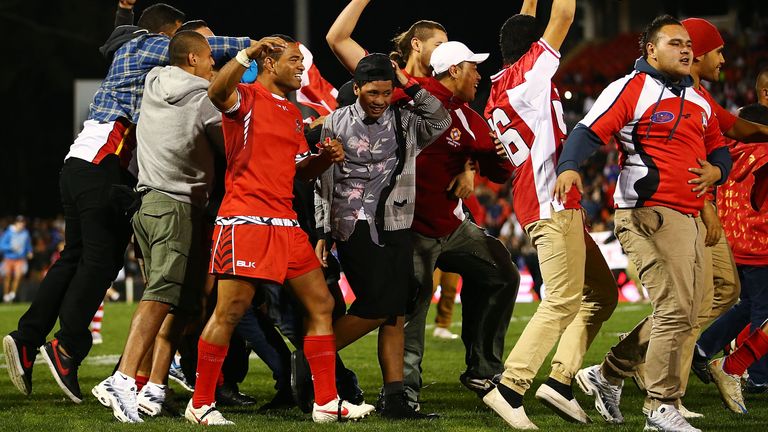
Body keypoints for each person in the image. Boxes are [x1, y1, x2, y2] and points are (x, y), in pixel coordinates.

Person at [2, 3, 251, 404]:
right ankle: (66, 348)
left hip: (82, 161)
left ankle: (28, 337)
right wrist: (252, 47)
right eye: (177, 37)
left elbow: (119, 37)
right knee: (101, 261)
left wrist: (122, 12)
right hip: (105, 159)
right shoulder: (149, 47)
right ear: (163, 35)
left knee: (76, 256)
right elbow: (203, 45)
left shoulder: (128, 50)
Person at [326, 0, 518, 406]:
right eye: (442, 42)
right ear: (421, 47)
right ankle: (397, 388)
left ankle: (481, 371)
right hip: (396, 219)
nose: (477, 73)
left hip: (448, 221)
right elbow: (339, 42)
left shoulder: (462, 110)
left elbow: (476, 150)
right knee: (400, 306)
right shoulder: (391, 91)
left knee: (499, 271)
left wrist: (477, 163)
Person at [185, 35, 374, 425]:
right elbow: (216, 92)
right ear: (270, 64)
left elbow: (298, 173)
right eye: (294, 60)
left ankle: (325, 401)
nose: (301, 67)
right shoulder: (246, 98)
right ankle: (200, 404)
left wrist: (324, 159)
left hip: (286, 224)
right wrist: (248, 53)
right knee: (230, 312)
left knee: (321, 305)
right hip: (247, 220)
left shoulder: (291, 113)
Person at [554, 15, 731, 432]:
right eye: (675, 43)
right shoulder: (631, 88)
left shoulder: (700, 100)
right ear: (650, 50)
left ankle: (610, 373)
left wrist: (716, 174)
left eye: (688, 43)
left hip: (688, 215)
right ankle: (660, 406)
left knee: (696, 307)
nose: (686, 50)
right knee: (675, 308)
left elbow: (719, 151)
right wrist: (569, 165)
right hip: (647, 212)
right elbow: (587, 131)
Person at [481, 0, 618, 428]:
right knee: (561, 300)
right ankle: (510, 387)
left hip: (551, 203)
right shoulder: (528, 78)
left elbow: (534, 23)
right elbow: (563, 17)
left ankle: (559, 382)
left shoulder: (502, 86)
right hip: (551, 203)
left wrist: (528, 10)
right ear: (532, 52)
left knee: (602, 293)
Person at [90, 30, 223, 423]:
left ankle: (153, 386)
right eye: (210, 57)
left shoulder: (152, 81)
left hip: (148, 202)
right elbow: (233, 137)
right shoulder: (202, 99)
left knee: (184, 300)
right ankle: (124, 378)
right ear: (194, 59)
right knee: (164, 296)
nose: (215, 63)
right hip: (175, 206)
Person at [314, 53, 451, 418]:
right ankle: (310, 357)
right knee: (379, 303)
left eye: (386, 92)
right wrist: (322, 231)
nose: (379, 100)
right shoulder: (335, 123)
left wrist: (408, 83)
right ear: (356, 88)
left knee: (395, 311)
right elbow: (322, 182)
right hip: (352, 221)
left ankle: (394, 400)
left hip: (396, 220)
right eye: (372, 92)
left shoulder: (405, 122)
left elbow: (441, 118)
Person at [700, 102, 768, 412]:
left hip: (733, 242)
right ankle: (756, 375)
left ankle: (704, 349)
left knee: (748, 307)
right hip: (760, 243)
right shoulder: (763, 154)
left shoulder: (724, 152)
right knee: (760, 309)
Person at [1, 216, 33, 303]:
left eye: (23, 222)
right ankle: (6, 295)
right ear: (16, 223)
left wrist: (30, 251)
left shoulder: (25, 233)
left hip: (20, 259)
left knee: (18, 276)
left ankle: (12, 294)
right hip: (8, 258)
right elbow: (1, 245)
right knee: (7, 276)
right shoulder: (9, 233)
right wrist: (11, 247)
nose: (22, 224)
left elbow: (28, 245)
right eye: (20, 222)